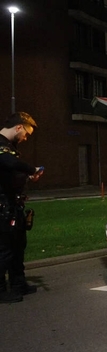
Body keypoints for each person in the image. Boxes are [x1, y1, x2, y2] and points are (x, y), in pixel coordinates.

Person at [0, 112, 44, 303]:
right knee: (4, 250)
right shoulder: (1, 147)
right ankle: (1, 291)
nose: (26, 138)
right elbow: (9, 162)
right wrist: (31, 169)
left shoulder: (10, 147)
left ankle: (18, 284)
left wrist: (27, 177)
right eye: (26, 133)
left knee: (18, 247)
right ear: (18, 127)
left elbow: (10, 173)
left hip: (13, 206)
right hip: (2, 207)